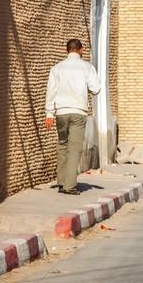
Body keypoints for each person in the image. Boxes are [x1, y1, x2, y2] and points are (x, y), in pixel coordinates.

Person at [44, 38, 101, 195]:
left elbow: (51, 91)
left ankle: (62, 182)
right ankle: (69, 185)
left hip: (60, 112)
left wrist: (49, 113)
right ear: (81, 50)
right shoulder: (87, 67)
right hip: (78, 112)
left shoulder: (57, 68)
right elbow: (96, 88)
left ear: (66, 50)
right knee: (74, 148)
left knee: (62, 145)